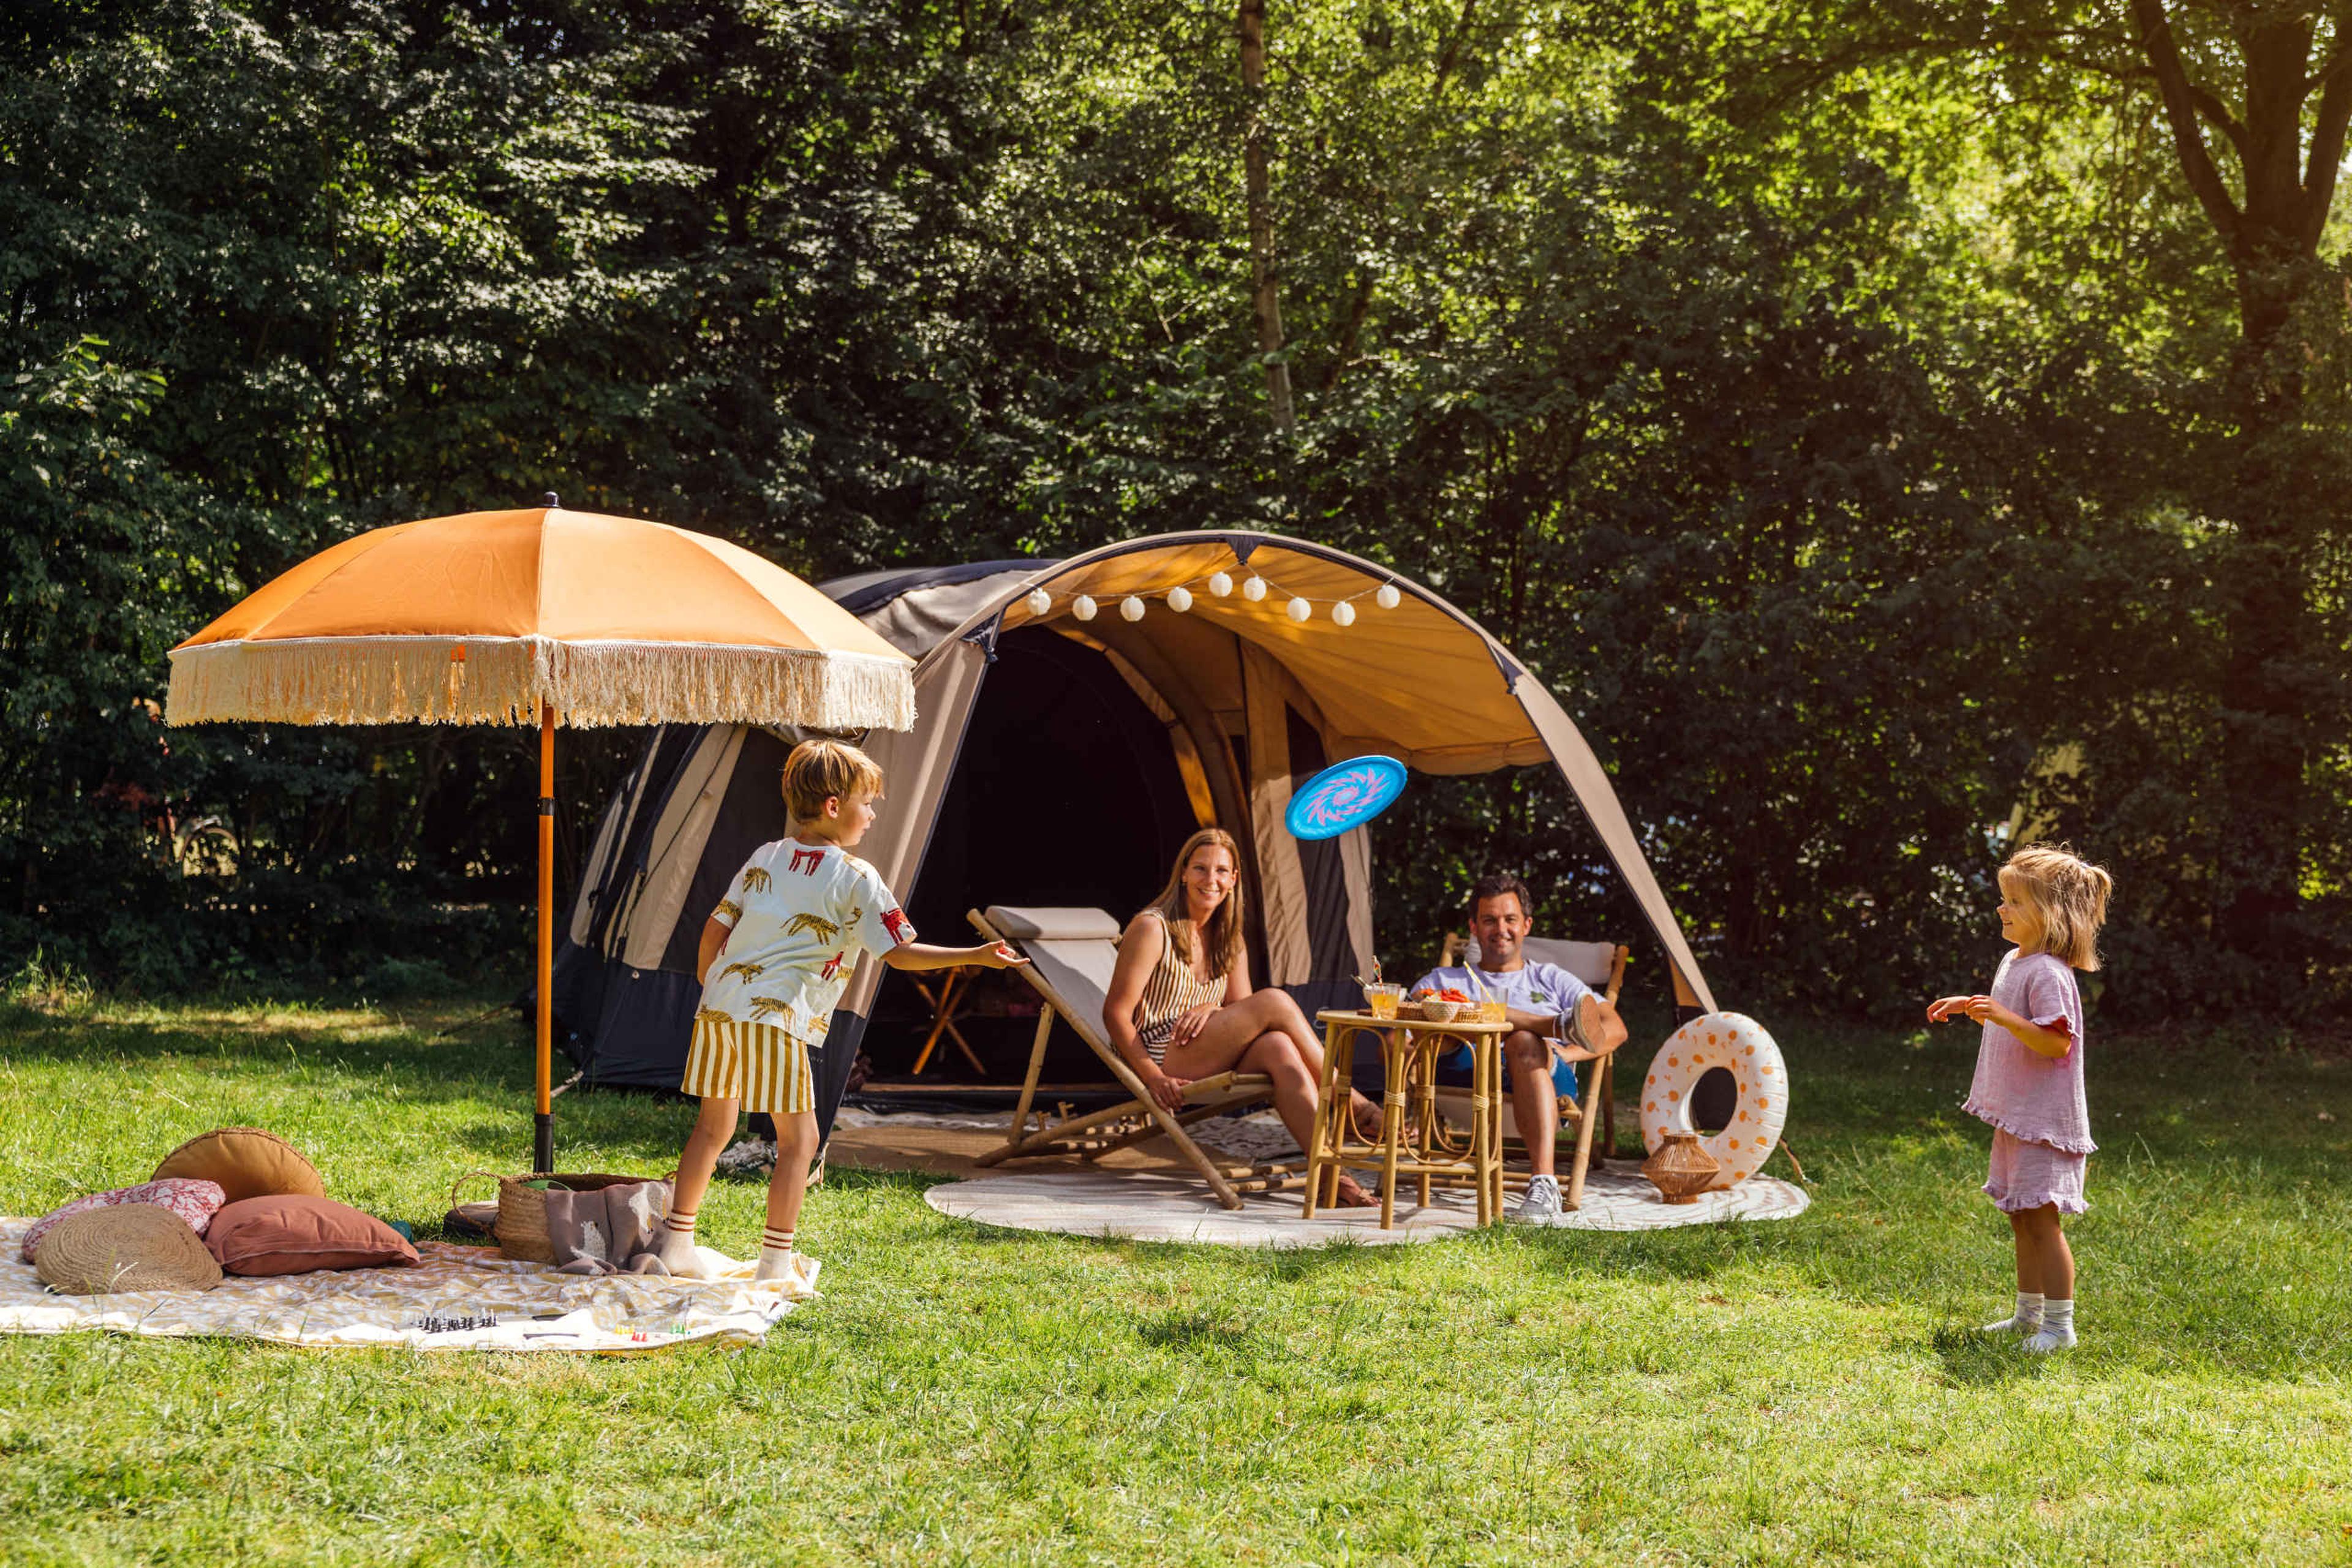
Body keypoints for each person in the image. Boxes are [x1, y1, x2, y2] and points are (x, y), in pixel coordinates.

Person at [652, 739, 1026, 1281]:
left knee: (714, 1127)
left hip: (718, 1009)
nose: (872, 815)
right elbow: (898, 953)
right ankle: (775, 1266)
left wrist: (714, 985)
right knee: (800, 1141)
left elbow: (715, 928)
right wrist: (976, 956)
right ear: (834, 806)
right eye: (867, 803)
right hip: (774, 1015)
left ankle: (676, 1245)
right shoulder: (856, 878)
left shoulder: (766, 855)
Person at [1103, 827, 1382, 1208]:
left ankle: (1333, 1178)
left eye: (1221, 871)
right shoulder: (1153, 927)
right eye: (1201, 869)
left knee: (1279, 1048)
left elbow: (1248, 1017)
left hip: (1202, 1047)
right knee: (1275, 1000)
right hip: (1158, 1051)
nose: (1211, 880)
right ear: (1183, 872)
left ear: (1234, 879)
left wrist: (1212, 1009)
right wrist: (1152, 1077)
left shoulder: (1228, 937)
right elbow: (1116, 1012)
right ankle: (1355, 1105)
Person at [1928, 842, 2111, 1354]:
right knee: (2020, 1215)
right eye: (2004, 897)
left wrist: (2004, 1018)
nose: (2001, 908)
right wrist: (1971, 1005)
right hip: (2018, 1117)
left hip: (2045, 1123)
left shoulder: (2050, 972)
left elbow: (2056, 1041)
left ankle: (2060, 1327)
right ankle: (2027, 1317)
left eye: (2014, 901)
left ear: (2049, 913)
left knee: (2043, 1221)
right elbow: (2010, 1011)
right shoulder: (2016, 960)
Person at [1412, 872, 1626, 1224]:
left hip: (1539, 1071)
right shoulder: (1444, 981)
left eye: (1510, 919)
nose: (1501, 929)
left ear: (1526, 925)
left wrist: (1569, 1053)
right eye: (1489, 920)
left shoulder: (1551, 978)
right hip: (1463, 1075)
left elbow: (1615, 1027)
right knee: (1441, 1015)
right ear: (1474, 928)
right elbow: (1398, 1043)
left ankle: (1544, 1186)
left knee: (1524, 1041)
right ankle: (1549, 1024)